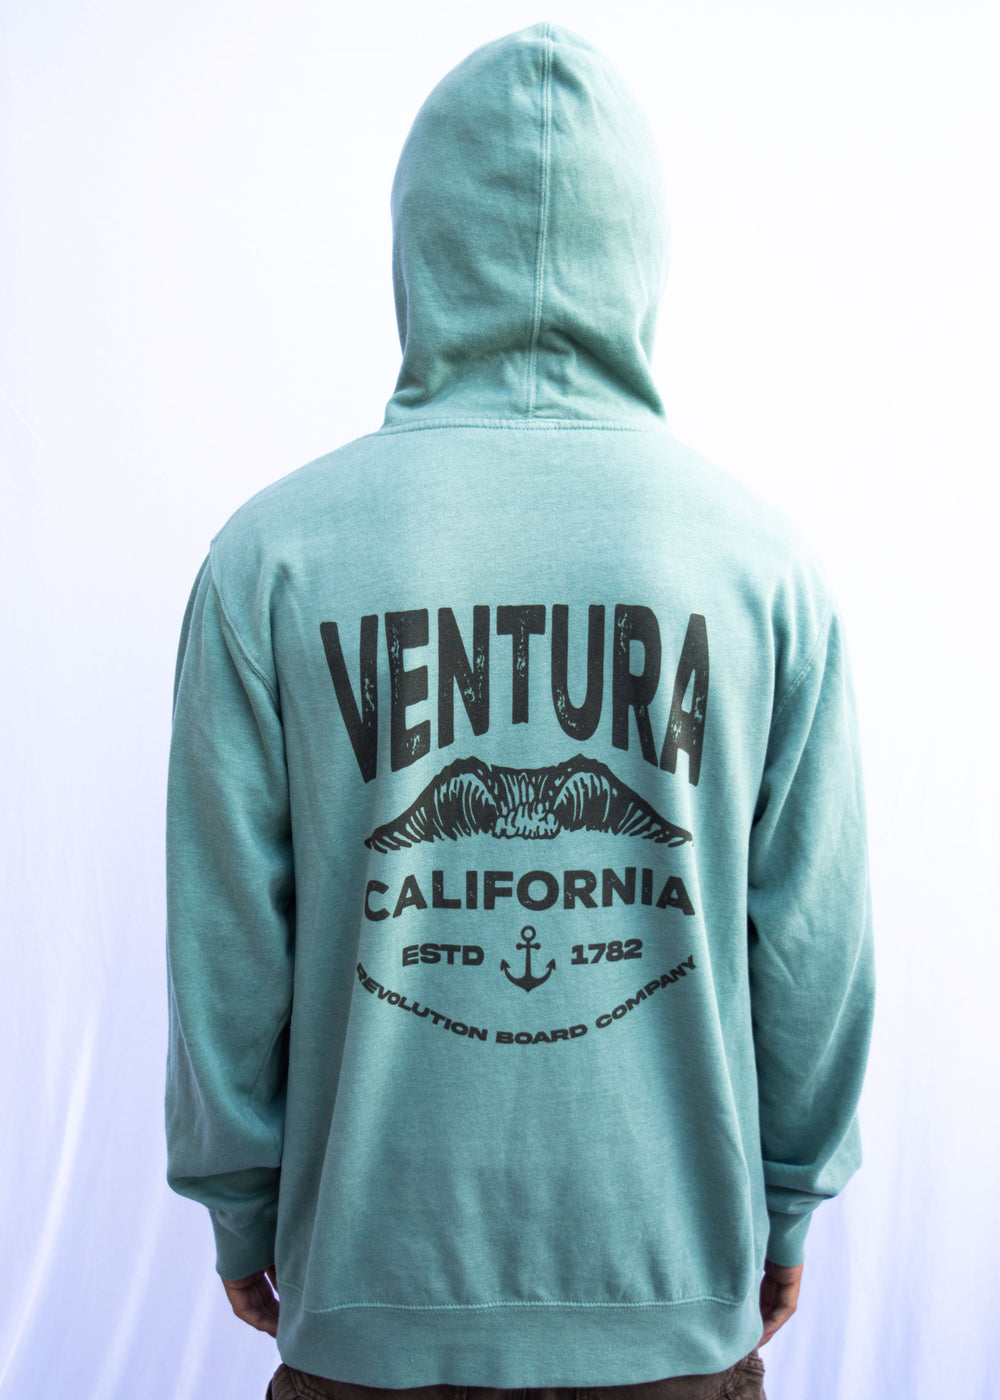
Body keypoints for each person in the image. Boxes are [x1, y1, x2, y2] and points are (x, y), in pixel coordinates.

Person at [165, 22, 874, 1400]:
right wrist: (788, 1204)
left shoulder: (272, 558)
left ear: (416, 250)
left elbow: (227, 943)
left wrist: (239, 1205)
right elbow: (812, 950)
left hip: (370, 1301)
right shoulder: (764, 572)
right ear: (643, 252)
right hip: (672, 1294)